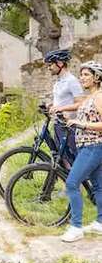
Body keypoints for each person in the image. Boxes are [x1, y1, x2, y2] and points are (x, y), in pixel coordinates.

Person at [53, 61, 102, 242]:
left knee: (72, 183)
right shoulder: (90, 96)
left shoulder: (99, 97)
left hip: (94, 146)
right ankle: (100, 223)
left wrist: (81, 124)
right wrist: (66, 114)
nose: (82, 78)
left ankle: (76, 227)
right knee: (98, 185)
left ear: (97, 77)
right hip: (87, 145)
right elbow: (82, 111)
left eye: (87, 75)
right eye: (81, 75)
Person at [46, 49, 84, 162]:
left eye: (50, 65)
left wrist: (60, 108)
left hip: (69, 127)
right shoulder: (59, 81)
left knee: (74, 158)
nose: (49, 68)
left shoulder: (71, 81)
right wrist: (52, 105)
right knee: (61, 159)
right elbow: (63, 101)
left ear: (60, 63)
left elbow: (80, 103)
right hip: (59, 124)